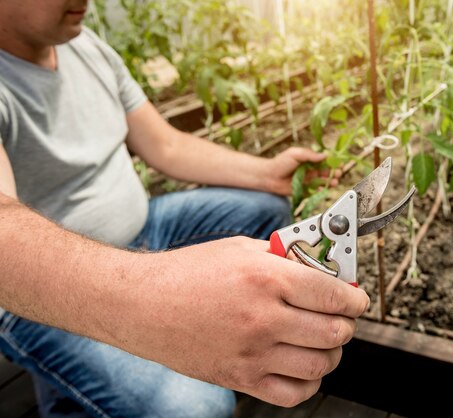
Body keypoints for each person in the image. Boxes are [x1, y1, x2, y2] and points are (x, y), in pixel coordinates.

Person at [0, 1, 370, 417]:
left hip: (145, 231)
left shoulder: (85, 46)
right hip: (39, 295)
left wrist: (269, 174)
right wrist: (156, 297)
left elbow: (166, 145)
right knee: (198, 408)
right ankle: (71, 395)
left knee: (264, 209)